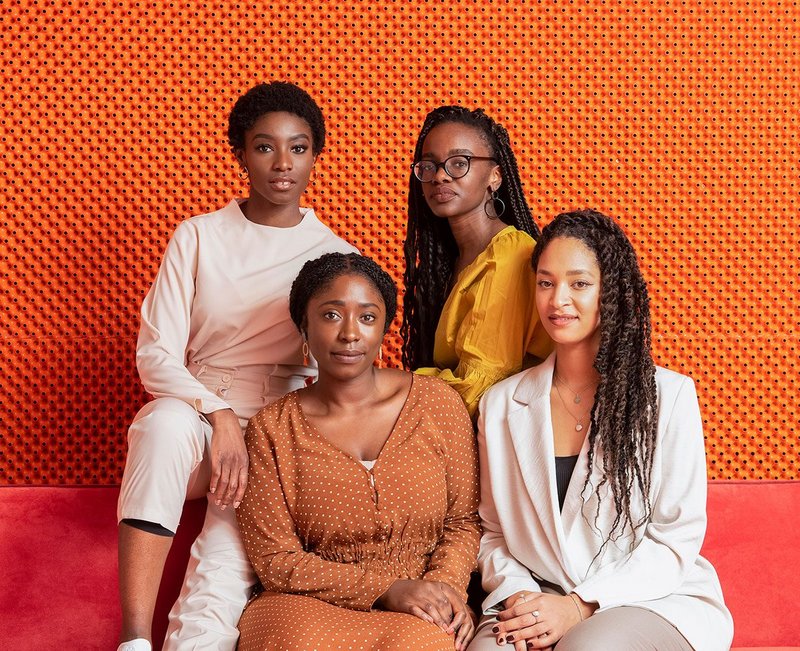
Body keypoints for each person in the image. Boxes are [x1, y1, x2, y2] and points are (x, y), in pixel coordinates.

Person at [116, 81, 357, 651]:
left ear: (315, 156)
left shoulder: (333, 255)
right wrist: (219, 413)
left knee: (215, 591)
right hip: (199, 420)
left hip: (273, 436)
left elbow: (338, 368)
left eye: (298, 148)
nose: (282, 164)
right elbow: (155, 355)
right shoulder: (198, 236)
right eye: (265, 146)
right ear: (240, 152)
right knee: (163, 424)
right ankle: (131, 640)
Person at [469, 209, 733, 651]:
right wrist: (523, 599)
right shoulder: (500, 405)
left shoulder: (669, 397)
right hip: (539, 593)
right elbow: (492, 533)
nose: (558, 301)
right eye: (546, 283)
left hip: (650, 598)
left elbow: (675, 538)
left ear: (611, 292)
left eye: (579, 283)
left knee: (588, 647)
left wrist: (579, 606)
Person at [236, 252, 481, 651]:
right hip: (306, 604)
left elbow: (463, 521)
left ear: (384, 326)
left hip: (419, 607)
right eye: (331, 315)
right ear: (304, 324)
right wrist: (386, 588)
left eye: (367, 317)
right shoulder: (272, 427)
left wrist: (443, 592)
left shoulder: (437, 403)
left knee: (419, 645)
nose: (350, 333)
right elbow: (275, 558)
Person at [401, 106, 551, 419]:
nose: (440, 175)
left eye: (459, 163)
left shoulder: (511, 256)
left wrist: (378, 385)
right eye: (429, 165)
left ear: (495, 175)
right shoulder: (451, 261)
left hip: (508, 445)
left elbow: (477, 386)